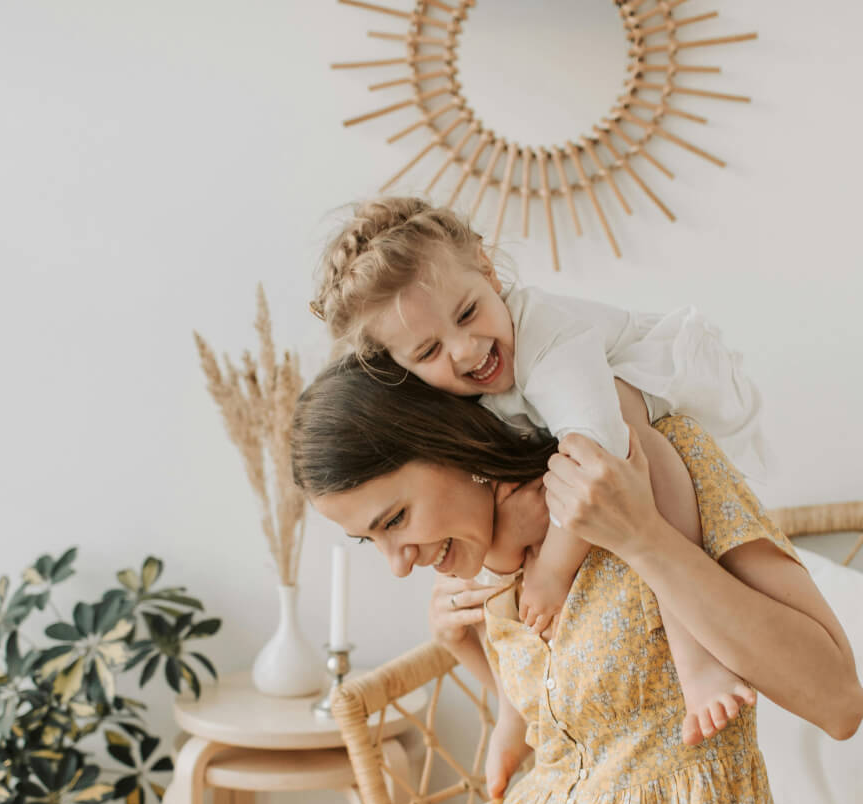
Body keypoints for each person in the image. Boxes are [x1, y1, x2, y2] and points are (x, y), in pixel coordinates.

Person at [167, 354, 863, 804]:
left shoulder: (651, 461)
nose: (398, 563)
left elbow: (837, 700)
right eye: (370, 541)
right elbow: (556, 725)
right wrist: (469, 644)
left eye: (396, 520)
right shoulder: (491, 554)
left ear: (454, 447)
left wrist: (643, 536)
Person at [309, 196, 770, 745]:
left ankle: (698, 658)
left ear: (487, 268)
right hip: (596, 431)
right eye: (430, 349)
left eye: (468, 313)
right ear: (401, 369)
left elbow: (598, 451)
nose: (465, 349)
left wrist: (552, 569)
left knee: (626, 449)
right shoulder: (462, 405)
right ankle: (516, 715)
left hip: (672, 387)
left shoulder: (548, 338)